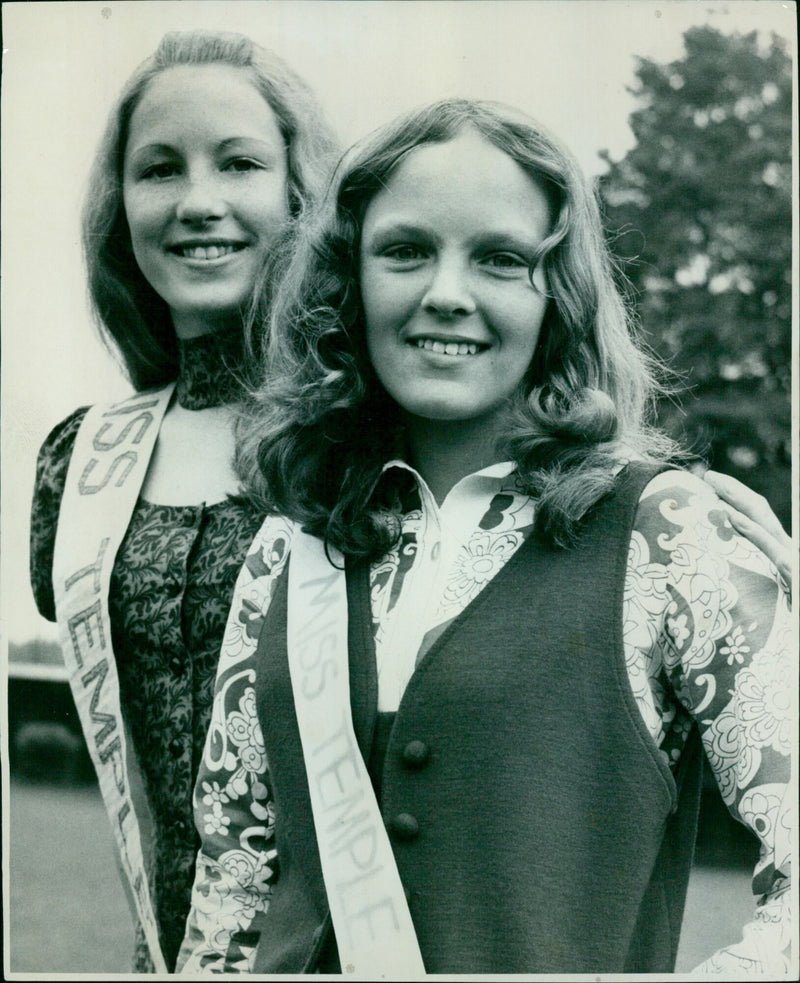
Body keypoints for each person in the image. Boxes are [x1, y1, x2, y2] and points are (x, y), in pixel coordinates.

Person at [178, 99, 792, 976]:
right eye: (405, 250)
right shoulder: (291, 544)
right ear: (346, 281)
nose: (447, 295)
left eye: (501, 259)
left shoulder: (666, 530)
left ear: (561, 297)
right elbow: (230, 884)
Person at [29, 30, 335, 973]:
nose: (198, 201)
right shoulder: (79, 464)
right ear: (119, 209)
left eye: (238, 162)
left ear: (299, 191)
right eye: (159, 169)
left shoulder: (368, 438)